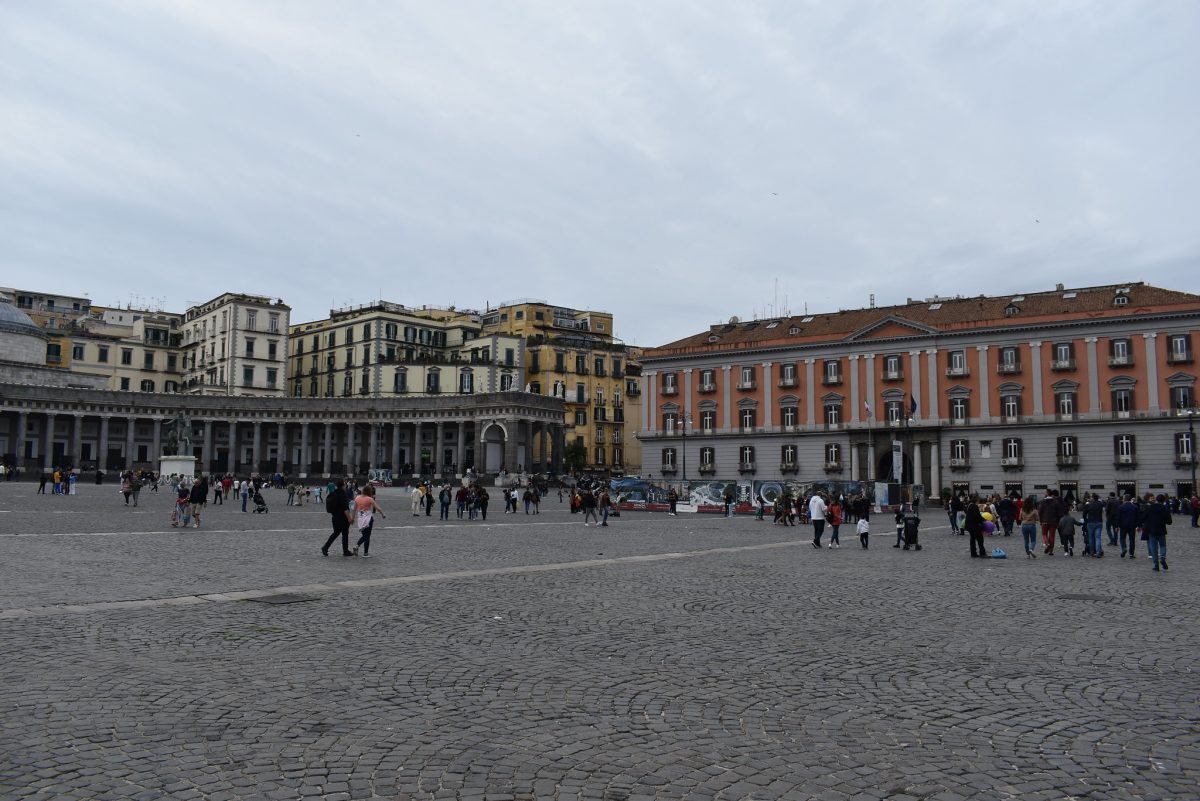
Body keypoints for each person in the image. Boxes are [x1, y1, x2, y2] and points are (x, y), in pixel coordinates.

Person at [1140, 494, 1172, 572]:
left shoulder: (1150, 508)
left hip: (1152, 530)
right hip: (1161, 530)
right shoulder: (1165, 508)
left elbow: (1142, 518)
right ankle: (1163, 558)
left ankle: (1156, 565)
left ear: (1156, 500)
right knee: (1162, 545)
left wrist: (1142, 524)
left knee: (1153, 547)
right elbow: (1169, 522)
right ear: (1164, 500)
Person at [321, 481, 354, 556]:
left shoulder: (334, 493)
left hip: (335, 517)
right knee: (345, 534)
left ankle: (325, 547)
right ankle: (345, 551)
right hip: (342, 518)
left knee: (335, 533)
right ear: (342, 486)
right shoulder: (342, 494)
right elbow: (345, 508)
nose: (345, 487)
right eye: (345, 485)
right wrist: (349, 518)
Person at [352, 485, 386, 558]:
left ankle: (357, 547)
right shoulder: (369, 499)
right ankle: (365, 552)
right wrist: (382, 514)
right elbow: (377, 508)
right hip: (368, 518)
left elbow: (354, 509)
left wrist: (353, 518)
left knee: (365, 535)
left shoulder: (357, 498)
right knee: (367, 536)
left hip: (360, 518)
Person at [1082, 493, 1105, 558]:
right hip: (1099, 522)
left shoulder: (1088, 505)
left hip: (1090, 523)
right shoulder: (1100, 504)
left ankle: (1092, 552)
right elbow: (1104, 503)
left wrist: (1086, 520)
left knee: (1091, 538)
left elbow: (1084, 514)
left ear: (1092, 498)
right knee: (1098, 538)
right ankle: (1098, 552)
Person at [1117, 494, 1140, 558]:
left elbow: (1118, 517)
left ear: (1124, 499)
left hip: (1123, 525)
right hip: (1132, 526)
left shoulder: (1121, 507)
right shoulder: (1135, 507)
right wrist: (1138, 526)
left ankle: (1124, 548)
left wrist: (1117, 526)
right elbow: (1138, 517)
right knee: (1132, 539)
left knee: (1122, 538)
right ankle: (1131, 554)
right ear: (1130, 499)